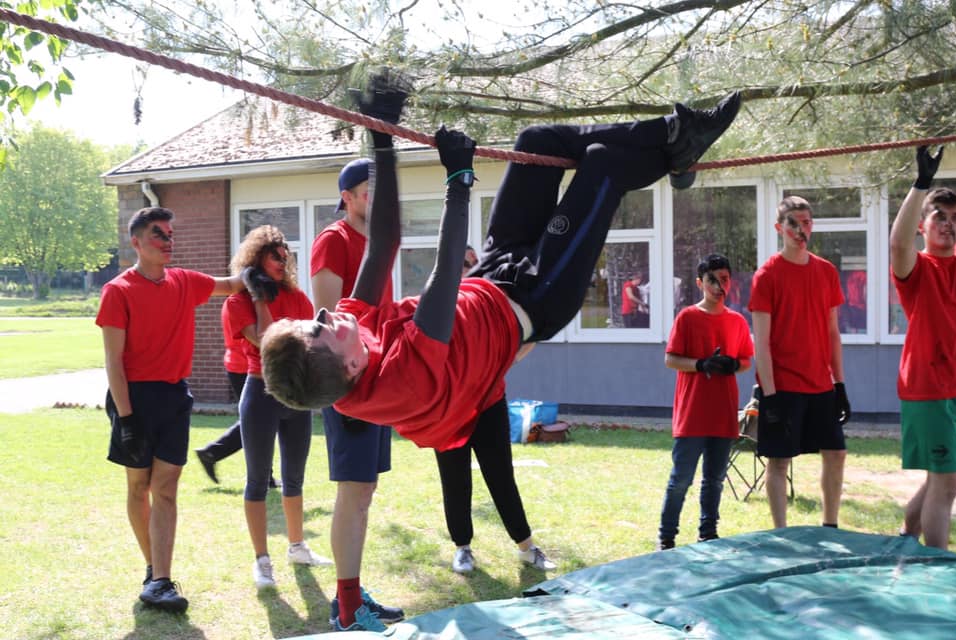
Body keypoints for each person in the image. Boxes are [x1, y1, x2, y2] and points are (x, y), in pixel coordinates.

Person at [261, 71, 741, 503]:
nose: (325, 313)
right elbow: (443, 276)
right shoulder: (397, 382)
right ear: (348, 364)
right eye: (321, 327)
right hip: (537, 297)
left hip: (492, 275)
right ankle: (678, 150)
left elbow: (382, 242)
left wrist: (380, 135)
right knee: (601, 165)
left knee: (538, 142)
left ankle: (678, 143)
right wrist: (459, 178)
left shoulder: (352, 338)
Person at [96, 206, 246, 612]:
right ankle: (152, 568)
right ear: (137, 243)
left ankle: (161, 579)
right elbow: (113, 362)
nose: (167, 241)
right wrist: (126, 419)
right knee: (137, 487)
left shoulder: (183, 282)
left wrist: (262, 267)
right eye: (158, 234)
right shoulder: (118, 291)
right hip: (133, 399)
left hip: (175, 398)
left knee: (165, 489)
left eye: (169, 234)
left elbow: (231, 285)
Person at [310, 155, 404, 632]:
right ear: (346, 198)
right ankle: (347, 607)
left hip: (376, 380)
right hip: (347, 383)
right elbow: (325, 321)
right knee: (354, 490)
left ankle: (350, 594)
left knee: (364, 489)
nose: (379, 199)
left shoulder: (377, 242)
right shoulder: (334, 240)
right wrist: (343, 388)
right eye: (371, 190)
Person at [432, 245, 555, 574]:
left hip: (488, 402)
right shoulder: (436, 305)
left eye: (474, 263)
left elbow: (528, 334)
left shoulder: (489, 303)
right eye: (465, 263)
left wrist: (504, 360)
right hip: (449, 408)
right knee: (454, 478)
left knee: (501, 475)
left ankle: (526, 547)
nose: (471, 268)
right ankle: (462, 548)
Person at [225, 225, 332, 590]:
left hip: (296, 394)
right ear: (256, 259)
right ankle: (262, 560)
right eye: (274, 254)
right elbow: (268, 341)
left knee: (295, 477)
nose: (283, 259)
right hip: (260, 392)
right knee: (257, 480)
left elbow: (309, 346)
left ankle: (297, 546)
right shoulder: (237, 302)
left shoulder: (297, 297)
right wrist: (257, 296)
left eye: (285, 253)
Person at [749, 195, 850, 529]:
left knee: (836, 454)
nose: (800, 229)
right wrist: (771, 395)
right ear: (780, 228)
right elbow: (760, 341)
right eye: (793, 223)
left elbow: (833, 332)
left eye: (806, 222)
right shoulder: (767, 275)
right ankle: (781, 533)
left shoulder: (826, 271)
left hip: (820, 384)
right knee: (779, 462)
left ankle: (830, 525)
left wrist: (840, 384)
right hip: (783, 386)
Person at [657, 254, 753, 550]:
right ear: (700, 283)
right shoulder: (687, 317)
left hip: (722, 414)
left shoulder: (737, 321)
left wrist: (731, 366)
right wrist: (701, 365)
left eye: (723, 279)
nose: (718, 285)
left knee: (714, 480)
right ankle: (667, 537)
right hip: (692, 415)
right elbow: (670, 359)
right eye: (712, 280)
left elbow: (747, 360)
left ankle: (708, 534)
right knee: (681, 480)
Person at [890, 146, 956, 550]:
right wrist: (921, 186)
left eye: (955, 219)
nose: (948, 225)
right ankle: (938, 571)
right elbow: (898, 245)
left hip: (955, 385)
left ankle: (905, 539)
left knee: (945, 476)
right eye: (940, 217)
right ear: (923, 226)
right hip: (928, 386)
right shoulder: (919, 269)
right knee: (948, 482)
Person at [193, 300, 278, 489]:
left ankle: (266, 475)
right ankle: (212, 453)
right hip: (245, 368)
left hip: (240, 365)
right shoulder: (240, 303)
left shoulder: (237, 302)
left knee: (259, 422)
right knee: (257, 423)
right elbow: (257, 337)